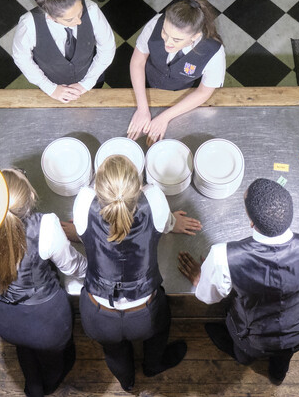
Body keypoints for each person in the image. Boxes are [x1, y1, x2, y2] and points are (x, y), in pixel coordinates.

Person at [176, 178, 299, 385]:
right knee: (283, 357)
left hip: (253, 337)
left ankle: (243, 359)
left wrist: (202, 279)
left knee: (244, 352)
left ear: (251, 222)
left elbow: (209, 297)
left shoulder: (223, 256)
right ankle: (278, 376)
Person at [68, 155, 200, 391]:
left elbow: (80, 232)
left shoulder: (84, 200)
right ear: (139, 186)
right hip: (145, 312)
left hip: (98, 315)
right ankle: (153, 366)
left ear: (97, 186)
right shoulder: (154, 198)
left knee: (113, 351)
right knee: (158, 333)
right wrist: (171, 223)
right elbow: (166, 223)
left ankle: (127, 383)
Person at [0, 169, 87, 397]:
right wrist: (95, 270)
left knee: (25, 346)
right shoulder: (45, 226)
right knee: (57, 359)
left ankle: (32, 382)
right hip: (46, 319)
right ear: (29, 200)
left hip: (2, 316)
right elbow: (72, 266)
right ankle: (47, 386)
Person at [127, 0, 225, 143]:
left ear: (195, 36)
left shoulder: (213, 51)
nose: (167, 43)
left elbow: (204, 91)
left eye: (177, 39)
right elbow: (138, 61)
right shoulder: (155, 23)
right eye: (165, 33)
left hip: (181, 93)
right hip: (149, 83)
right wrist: (142, 108)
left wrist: (165, 117)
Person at [12, 0, 115, 102]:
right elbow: (22, 59)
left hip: (92, 80)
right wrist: (50, 88)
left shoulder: (92, 9)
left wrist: (87, 83)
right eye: (70, 19)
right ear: (50, 16)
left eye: (80, 11)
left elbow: (107, 47)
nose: (79, 21)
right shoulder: (29, 25)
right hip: (53, 86)